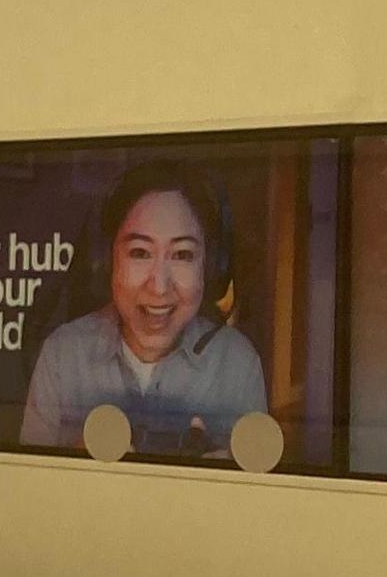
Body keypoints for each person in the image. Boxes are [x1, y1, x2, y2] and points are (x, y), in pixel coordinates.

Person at [15, 159, 268, 457]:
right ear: (106, 261)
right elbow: (30, 492)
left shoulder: (236, 364)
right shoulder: (63, 355)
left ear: (210, 267)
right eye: (139, 252)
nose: (159, 286)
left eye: (183, 254)